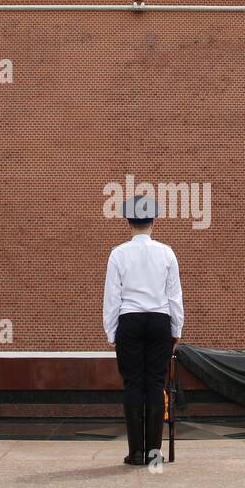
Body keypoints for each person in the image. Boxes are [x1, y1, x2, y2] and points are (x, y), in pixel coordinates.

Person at [103, 195, 184, 465]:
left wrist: (111, 332)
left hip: (130, 320)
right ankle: (154, 454)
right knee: (155, 384)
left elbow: (112, 297)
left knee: (133, 384)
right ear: (154, 221)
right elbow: (174, 296)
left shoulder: (118, 254)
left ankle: (136, 452)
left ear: (128, 221)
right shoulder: (166, 252)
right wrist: (177, 329)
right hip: (160, 320)